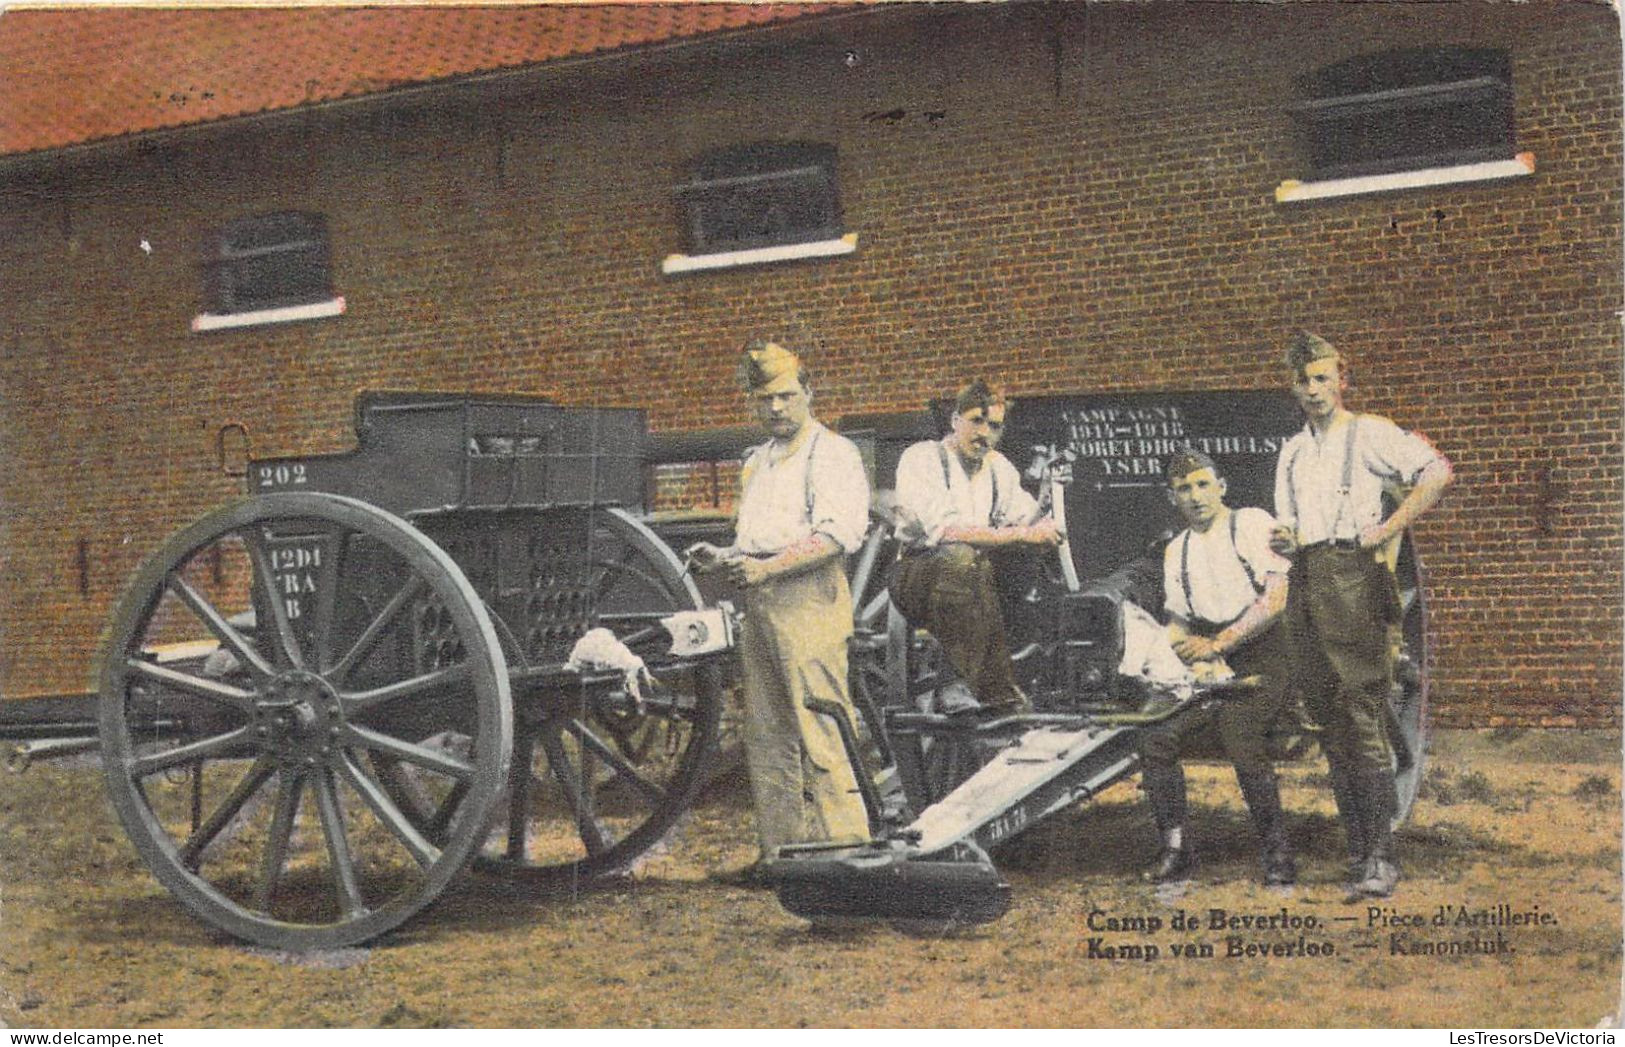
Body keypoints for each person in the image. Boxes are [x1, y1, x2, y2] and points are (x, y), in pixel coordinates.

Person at [1270, 331, 1453, 900]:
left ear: (1342, 379)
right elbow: (1289, 528)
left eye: (1323, 378)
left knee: (1361, 714)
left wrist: (1387, 528)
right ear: (1292, 387)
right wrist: (1282, 539)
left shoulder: (1370, 433)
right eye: (1303, 380)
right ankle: (1357, 848)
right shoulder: (1293, 450)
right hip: (1306, 580)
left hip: (1354, 578)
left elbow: (1437, 472)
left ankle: (1381, 856)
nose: (1314, 389)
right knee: (1326, 717)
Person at [687, 339, 873, 884]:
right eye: (764, 398)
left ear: (809, 393)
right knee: (767, 734)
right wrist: (724, 556)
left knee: (821, 726)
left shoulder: (833, 454)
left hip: (810, 600)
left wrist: (767, 569)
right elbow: (758, 537)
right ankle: (783, 858)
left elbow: (839, 535)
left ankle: (847, 854)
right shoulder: (757, 462)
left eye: (787, 396)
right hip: (761, 602)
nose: (775, 408)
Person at [1138, 449, 1296, 885]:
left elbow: (1275, 600)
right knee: (1155, 734)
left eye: (1203, 485)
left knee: (1238, 729)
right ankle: (1175, 848)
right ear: (1172, 497)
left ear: (1221, 486)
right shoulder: (1177, 550)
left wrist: (1218, 645)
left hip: (1266, 651)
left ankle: (1277, 850)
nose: (1195, 496)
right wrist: (1179, 647)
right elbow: (1177, 619)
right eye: (1184, 489)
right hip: (1210, 661)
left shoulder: (1250, 524)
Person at [889, 380, 1063, 716]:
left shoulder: (999, 468)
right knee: (961, 557)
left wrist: (1045, 501)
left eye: (994, 426)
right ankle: (962, 682)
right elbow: (948, 532)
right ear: (955, 420)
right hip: (919, 577)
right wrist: (1023, 535)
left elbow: (1025, 521)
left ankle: (1005, 682)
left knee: (1002, 566)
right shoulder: (922, 459)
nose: (984, 433)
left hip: (976, 581)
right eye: (975, 421)